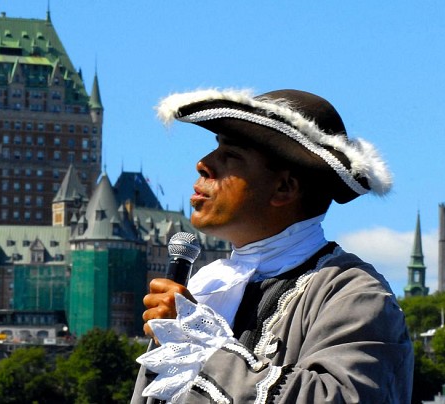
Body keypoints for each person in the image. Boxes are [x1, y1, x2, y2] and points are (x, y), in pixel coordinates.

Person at [132, 88, 413, 403]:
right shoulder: (207, 286)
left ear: (284, 187)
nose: (203, 164)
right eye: (216, 149)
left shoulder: (355, 294)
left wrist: (203, 346)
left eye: (231, 155)